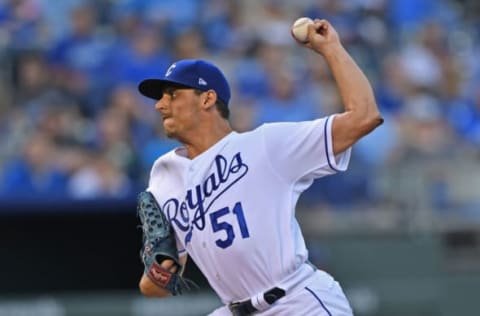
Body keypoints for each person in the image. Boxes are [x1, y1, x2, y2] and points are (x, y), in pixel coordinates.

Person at [136, 19, 383, 316]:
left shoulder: (265, 145)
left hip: (296, 301)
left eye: (172, 95)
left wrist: (331, 48)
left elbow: (364, 116)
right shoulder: (165, 175)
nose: (160, 106)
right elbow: (154, 290)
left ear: (207, 98)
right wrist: (161, 269)